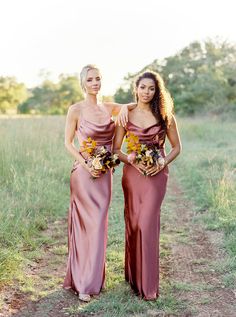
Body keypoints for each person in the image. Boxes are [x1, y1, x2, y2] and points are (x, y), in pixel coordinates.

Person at [63, 64, 135, 302]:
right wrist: (86, 165)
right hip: (84, 174)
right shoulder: (75, 110)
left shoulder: (110, 107)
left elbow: (135, 106)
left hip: (104, 175)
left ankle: (94, 279)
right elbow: (68, 144)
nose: (95, 83)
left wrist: (125, 106)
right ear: (83, 83)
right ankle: (83, 284)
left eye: (98, 79)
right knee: (87, 226)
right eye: (91, 79)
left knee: (99, 226)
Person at [113, 70, 181, 300]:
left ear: (157, 91)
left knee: (147, 224)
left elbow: (176, 148)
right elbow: (116, 150)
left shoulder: (165, 115)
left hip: (156, 175)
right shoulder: (126, 115)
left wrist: (162, 162)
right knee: (133, 223)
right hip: (132, 175)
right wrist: (129, 158)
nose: (147, 92)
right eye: (143, 87)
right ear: (136, 88)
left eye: (151, 88)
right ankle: (134, 278)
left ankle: (149, 286)